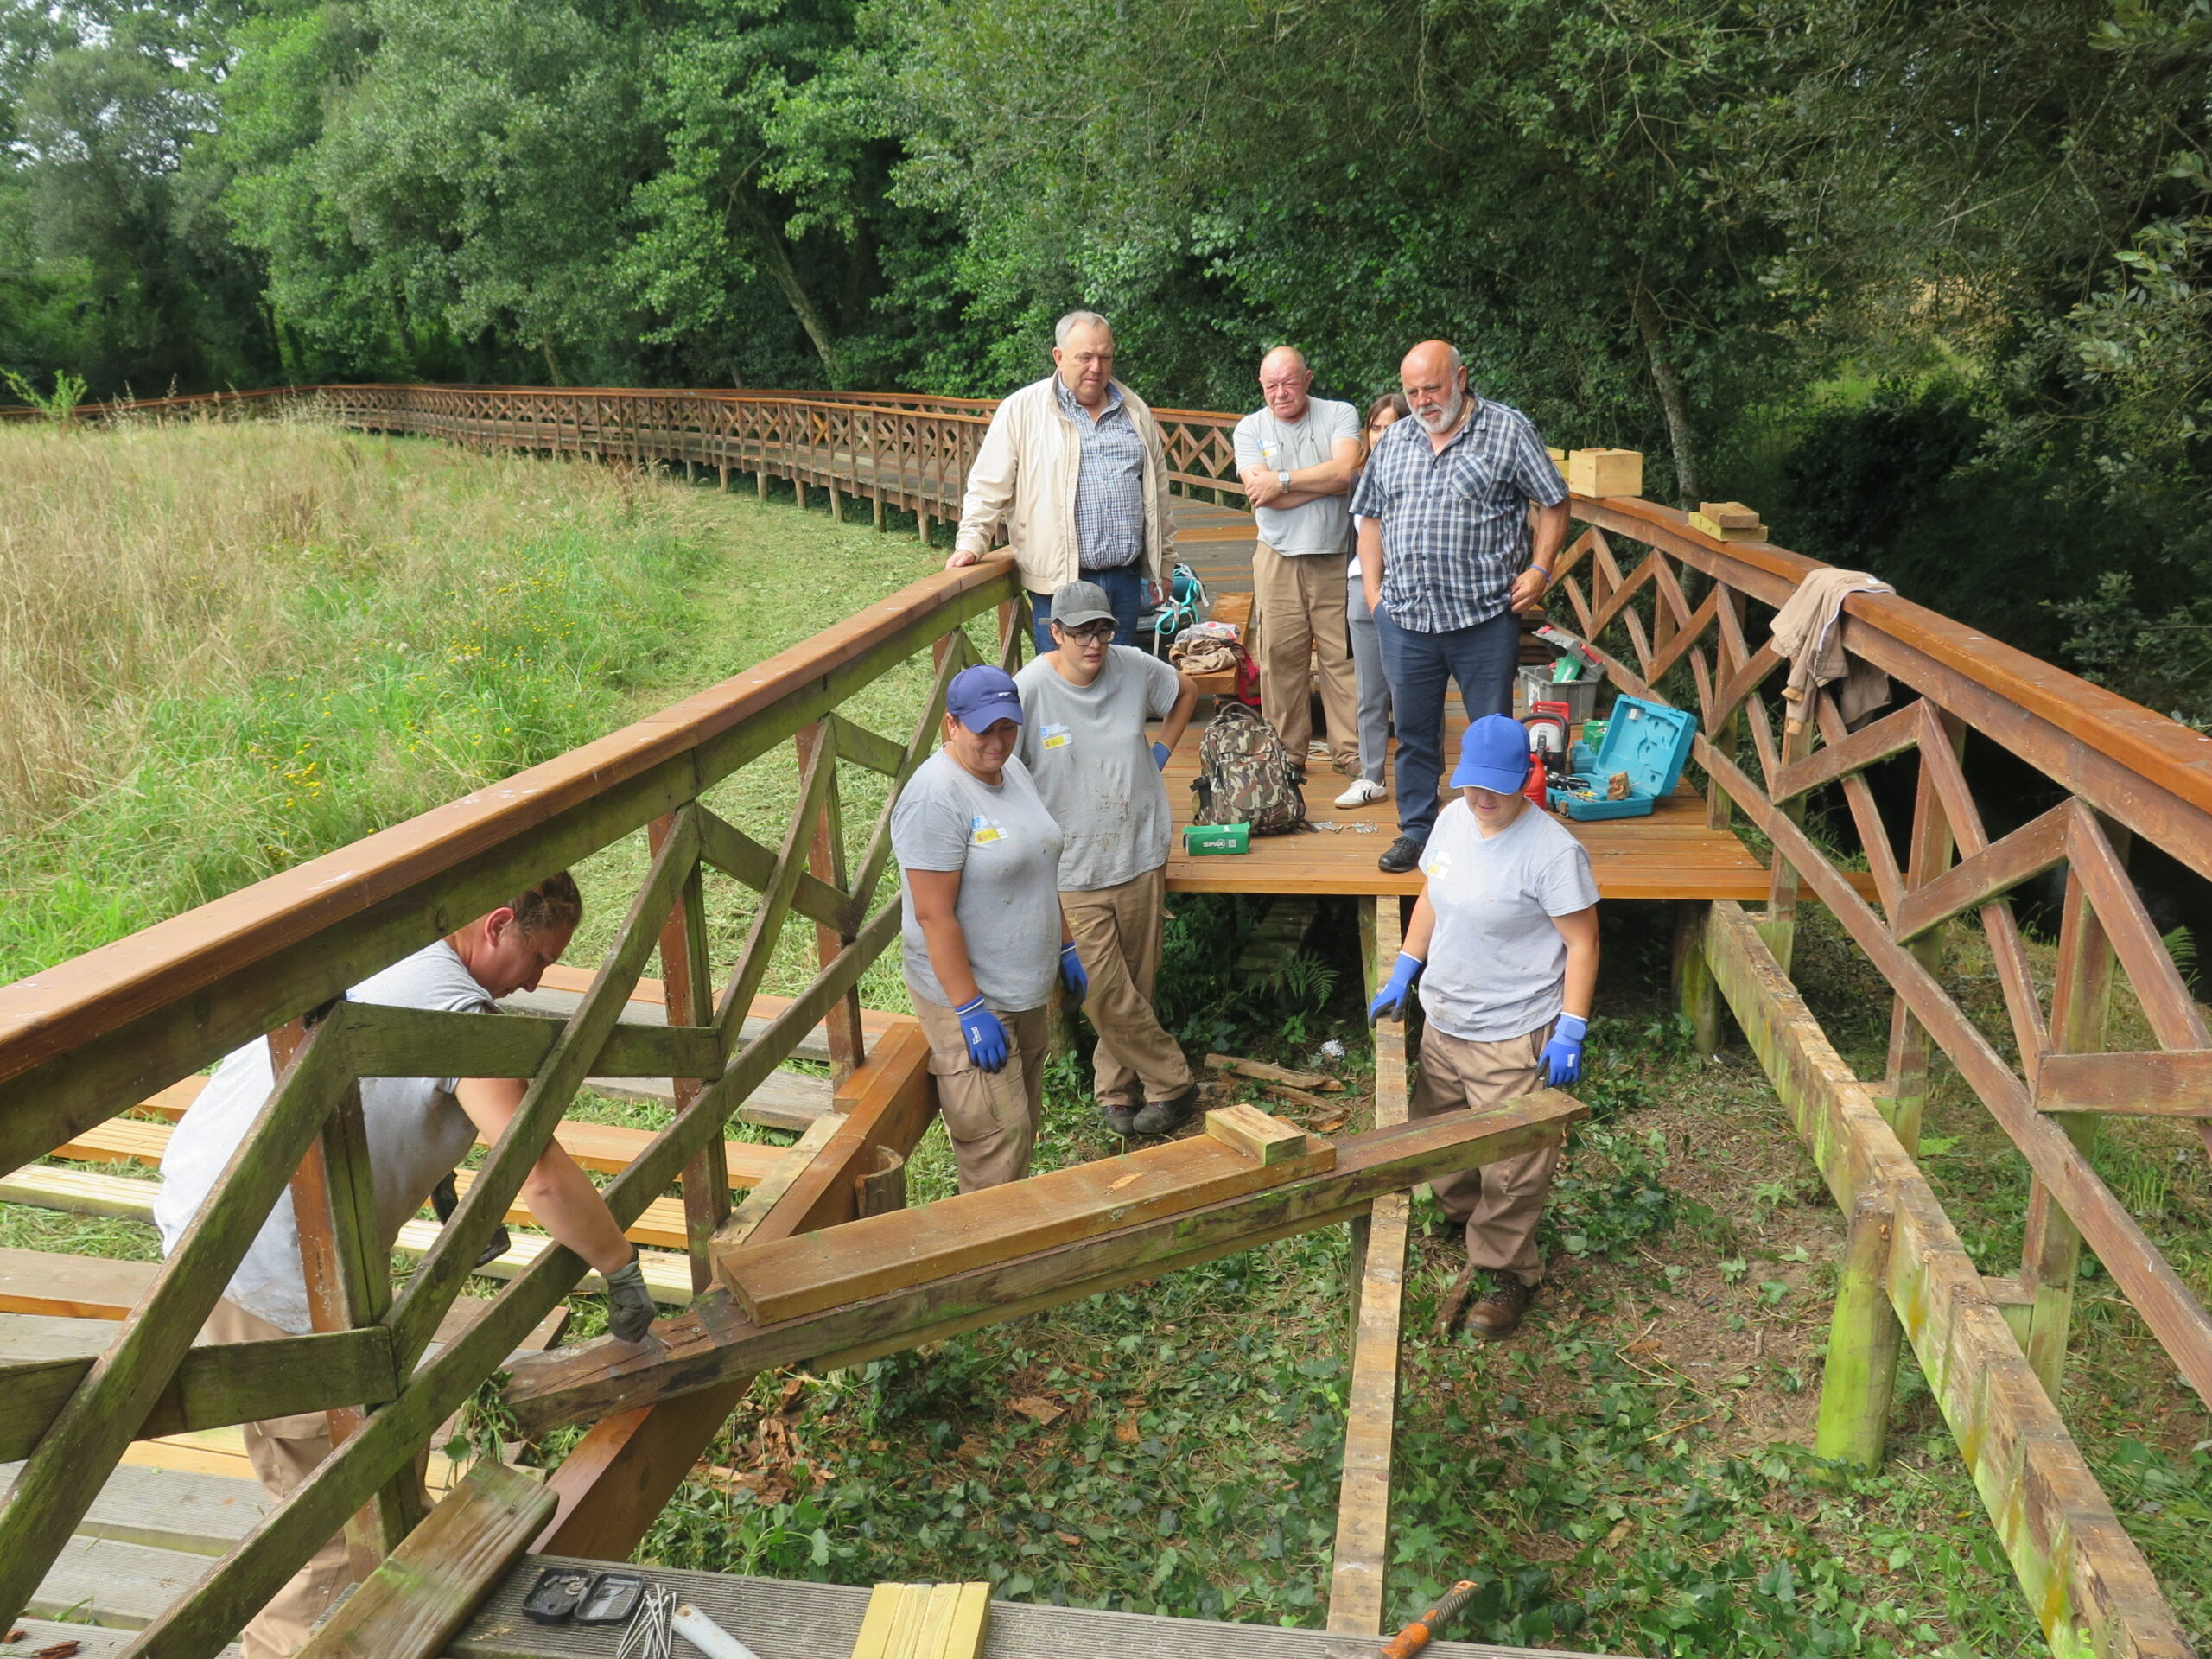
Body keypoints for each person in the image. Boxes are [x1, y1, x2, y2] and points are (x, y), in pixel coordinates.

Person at [154, 874, 654, 1659]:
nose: (536, 981)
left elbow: (374, 1091)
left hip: (211, 1210)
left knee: (361, 1447)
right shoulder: (456, 1019)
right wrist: (620, 1269)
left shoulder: (388, 954)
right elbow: (542, 1174)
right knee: (326, 1508)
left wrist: (438, 1178)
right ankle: (294, 1644)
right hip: (270, 1250)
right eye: (537, 957)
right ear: (495, 925)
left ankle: (404, 1590)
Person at [1368, 715, 1599, 1339]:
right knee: (1440, 1132)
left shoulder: (1553, 853)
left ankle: (1505, 1271)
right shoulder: (1449, 820)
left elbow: (1582, 944)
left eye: (1498, 786)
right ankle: (1461, 1215)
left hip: (1511, 1030)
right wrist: (1405, 972)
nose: (1484, 800)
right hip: (1445, 1017)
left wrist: (1572, 1027)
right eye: (1474, 785)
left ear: (1527, 776)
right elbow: (1431, 899)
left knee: (1514, 1163)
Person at [1351, 340, 1570, 874]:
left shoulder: (1508, 429)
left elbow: (1556, 501)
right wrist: (1375, 596)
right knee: (1416, 735)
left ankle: (1496, 834)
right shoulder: (1394, 440)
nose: (1424, 400)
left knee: (1491, 732)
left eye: (1433, 387)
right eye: (1413, 391)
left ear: (1462, 377)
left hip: (1484, 618)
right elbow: (1371, 519)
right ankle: (1418, 832)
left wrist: (1540, 570)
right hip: (1406, 619)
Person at [1015, 579, 1204, 1138]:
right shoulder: (1029, 690)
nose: (1093, 644)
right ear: (1055, 633)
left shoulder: (1133, 666)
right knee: (1102, 989)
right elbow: (1006, 771)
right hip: (1072, 866)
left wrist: (1161, 751)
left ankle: (1115, 1090)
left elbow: (1185, 693)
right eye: (1080, 633)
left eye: (1102, 629)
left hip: (1140, 848)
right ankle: (1174, 1084)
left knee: (1135, 985)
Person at [892, 663, 1082, 1190]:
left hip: (1024, 985)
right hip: (972, 993)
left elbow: (1038, 866)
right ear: (951, 725)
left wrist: (1065, 945)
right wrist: (969, 1008)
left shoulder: (1011, 769)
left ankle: (1010, 1246)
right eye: (984, 730)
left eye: (1008, 727)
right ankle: (986, 1264)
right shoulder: (936, 797)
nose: (998, 742)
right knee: (998, 1139)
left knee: (1022, 1126)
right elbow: (933, 914)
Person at [947, 311, 1175, 653]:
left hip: (1125, 580)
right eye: (1085, 357)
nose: (1096, 367)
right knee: (1060, 687)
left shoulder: (1135, 410)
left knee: (1121, 685)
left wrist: (1165, 565)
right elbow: (988, 485)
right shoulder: (1022, 410)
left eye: (1105, 356)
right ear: (1059, 357)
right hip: (1060, 582)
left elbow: (1159, 495)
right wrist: (971, 543)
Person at [1233, 346, 1364, 781]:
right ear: (1261, 386)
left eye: (1289, 382)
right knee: (1279, 658)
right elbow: (1259, 493)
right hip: (1277, 556)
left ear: (1308, 378)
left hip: (1335, 555)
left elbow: (1347, 472)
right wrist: (1325, 481)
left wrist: (1283, 481)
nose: (1280, 393)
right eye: (1271, 385)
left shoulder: (1339, 414)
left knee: (1341, 657)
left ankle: (1350, 753)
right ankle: (1287, 755)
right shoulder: (1249, 428)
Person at [1338, 392, 1410, 810]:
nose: (1383, 435)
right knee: (1370, 691)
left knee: (1414, 690)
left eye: (1392, 426)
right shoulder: (1358, 475)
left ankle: (1421, 777)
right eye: (1376, 427)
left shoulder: (1423, 469)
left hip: (1409, 591)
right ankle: (1371, 776)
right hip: (1360, 585)